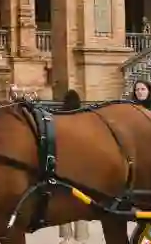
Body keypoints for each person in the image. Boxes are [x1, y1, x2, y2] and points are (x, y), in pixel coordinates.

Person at [56, 90, 91, 242]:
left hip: (63, 164)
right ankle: (82, 237)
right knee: (81, 201)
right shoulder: (85, 118)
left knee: (62, 200)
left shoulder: (59, 118)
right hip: (82, 165)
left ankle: (66, 236)